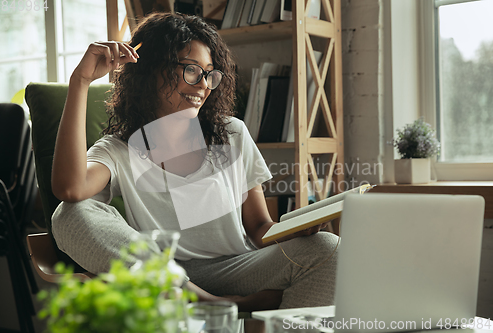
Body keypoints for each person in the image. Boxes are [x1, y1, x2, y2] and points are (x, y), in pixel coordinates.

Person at [50, 12, 339, 312]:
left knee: (329, 249)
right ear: (152, 71)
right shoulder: (120, 151)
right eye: (192, 70)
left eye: (210, 74)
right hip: (167, 277)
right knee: (69, 213)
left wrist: (292, 231)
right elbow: (69, 189)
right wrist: (80, 81)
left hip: (238, 268)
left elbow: (258, 226)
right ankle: (212, 304)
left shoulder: (231, 133)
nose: (203, 85)